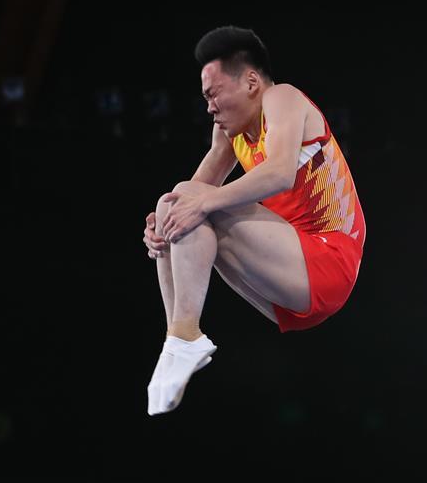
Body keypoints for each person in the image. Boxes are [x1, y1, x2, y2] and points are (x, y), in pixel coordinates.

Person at [143, 25, 366, 415]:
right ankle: (178, 337)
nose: (209, 107)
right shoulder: (228, 134)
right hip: (288, 278)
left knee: (192, 203)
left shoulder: (282, 98)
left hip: (329, 260)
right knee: (173, 204)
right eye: (205, 98)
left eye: (214, 94)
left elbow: (279, 173)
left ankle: (184, 338)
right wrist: (162, 226)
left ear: (250, 82)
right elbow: (190, 196)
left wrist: (197, 204)